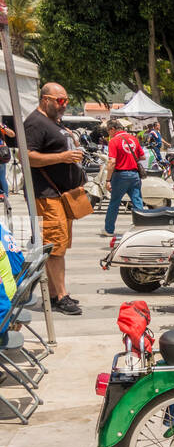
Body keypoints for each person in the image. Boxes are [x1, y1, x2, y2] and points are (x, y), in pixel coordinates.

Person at [23, 83, 85, 315]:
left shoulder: (52, 122)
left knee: (57, 247)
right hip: (47, 196)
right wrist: (63, 156)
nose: (64, 105)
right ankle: (61, 295)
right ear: (45, 99)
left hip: (60, 195)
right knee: (55, 247)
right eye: (60, 101)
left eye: (66, 100)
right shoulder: (35, 122)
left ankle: (54, 294)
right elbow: (27, 156)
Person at [103, 118, 146, 236]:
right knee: (137, 202)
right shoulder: (133, 139)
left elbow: (112, 162)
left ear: (112, 129)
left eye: (108, 131)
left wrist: (108, 180)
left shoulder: (114, 141)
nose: (108, 134)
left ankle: (109, 229)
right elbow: (142, 157)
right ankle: (142, 227)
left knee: (114, 203)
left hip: (120, 175)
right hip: (134, 175)